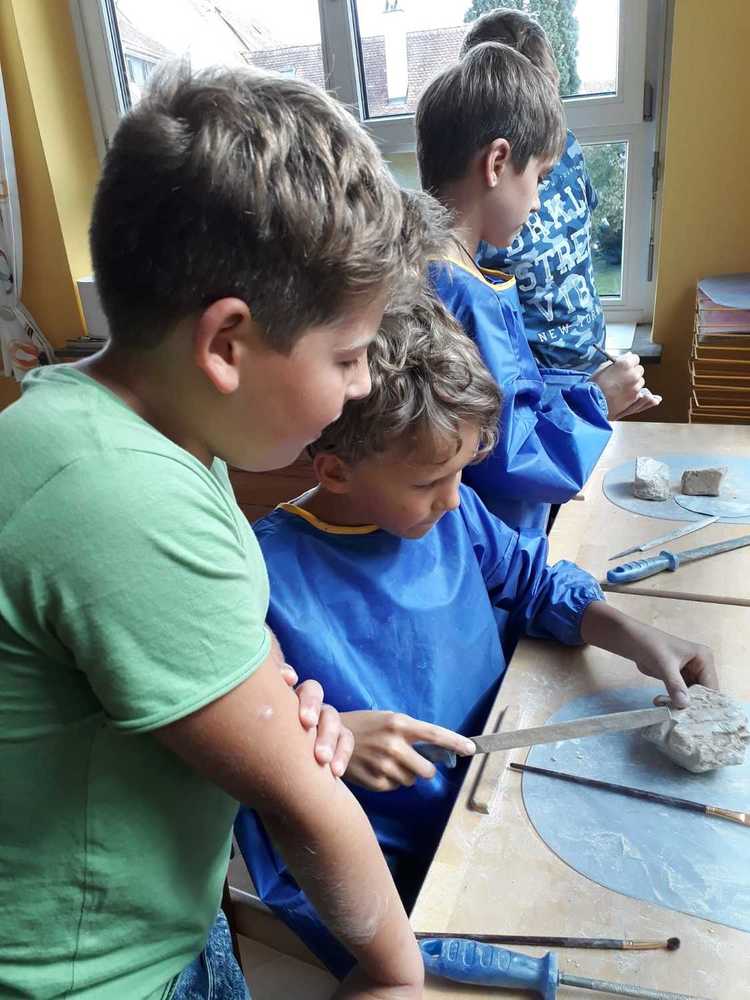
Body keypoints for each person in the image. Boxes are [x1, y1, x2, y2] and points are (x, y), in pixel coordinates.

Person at [0, 63, 425, 1000]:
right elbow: (306, 811)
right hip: (101, 979)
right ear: (226, 344)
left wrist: (284, 712)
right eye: (349, 356)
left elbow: (224, 639)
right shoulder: (117, 496)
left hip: (157, 921)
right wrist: (399, 977)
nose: (362, 384)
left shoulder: (155, 432)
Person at [235, 295, 717, 977]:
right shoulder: (262, 582)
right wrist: (329, 742)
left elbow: (533, 580)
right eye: (432, 480)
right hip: (400, 874)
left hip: (501, 790)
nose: (456, 497)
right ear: (336, 470)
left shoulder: (448, 514)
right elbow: (257, 759)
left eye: (463, 471)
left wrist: (634, 635)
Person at [416, 42, 657, 532]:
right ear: (497, 162)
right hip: (494, 541)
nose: (539, 200)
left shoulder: (442, 271)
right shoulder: (462, 298)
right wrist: (598, 402)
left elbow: (509, 406)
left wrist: (584, 394)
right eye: (541, 177)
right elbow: (512, 458)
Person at [461, 8, 653, 381]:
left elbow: (579, 241)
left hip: (594, 357)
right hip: (535, 381)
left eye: (549, 97)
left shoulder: (570, 150)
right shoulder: (479, 197)